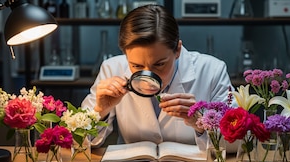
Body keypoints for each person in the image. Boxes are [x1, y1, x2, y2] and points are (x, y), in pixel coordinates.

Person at [81, 4, 237, 152]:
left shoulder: (212, 71)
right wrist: (100, 111)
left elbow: (239, 141)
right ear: (125, 54)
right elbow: (76, 141)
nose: (148, 77)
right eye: (136, 66)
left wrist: (201, 124)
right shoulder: (112, 68)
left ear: (177, 50)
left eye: (160, 64)